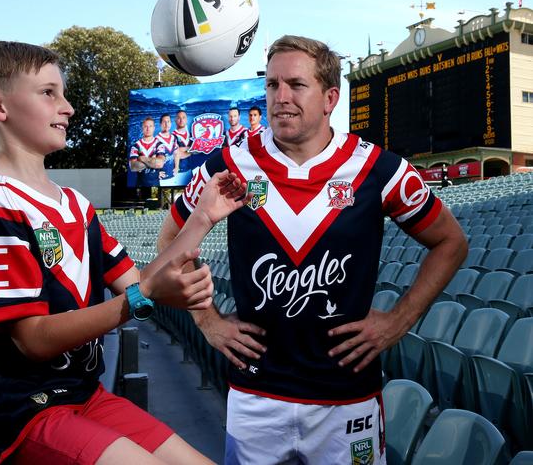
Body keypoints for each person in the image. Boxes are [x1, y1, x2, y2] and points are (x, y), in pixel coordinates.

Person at [158, 35, 468, 464]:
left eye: (296, 85)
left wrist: (400, 319)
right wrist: (207, 321)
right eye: (271, 85)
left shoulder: (380, 169)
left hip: (347, 399)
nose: (280, 98)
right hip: (255, 394)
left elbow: (451, 242)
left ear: (330, 98)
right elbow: (170, 239)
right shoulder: (229, 165)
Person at [0, 40, 251, 465]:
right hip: (16, 412)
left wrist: (202, 218)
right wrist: (142, 298)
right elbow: (34, 340)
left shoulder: (74, 204)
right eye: (48, 92)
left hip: (82, 394)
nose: (68, 107)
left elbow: (138, 282)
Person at [130, 117, 163, 187]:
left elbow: (160, 164)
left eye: (150, 126)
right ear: (142, 128)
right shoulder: (136, 145)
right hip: (140, 185)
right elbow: (133, 167)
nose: (148, 129)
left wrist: (141, 159)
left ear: (154, 128)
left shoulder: (159, 144)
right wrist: (153, 161)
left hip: (155, 184)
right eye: (145, 126)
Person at [155, 113, 179, 180]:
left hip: (174, 175)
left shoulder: (173, 138)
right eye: (164, 122)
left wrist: (177, 167)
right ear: (160, 124)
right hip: (162, 178)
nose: (166, 124)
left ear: (171, 123)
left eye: (168, 121)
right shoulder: (156, 140)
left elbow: (176, 153)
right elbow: (151, 159)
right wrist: (156, 173)